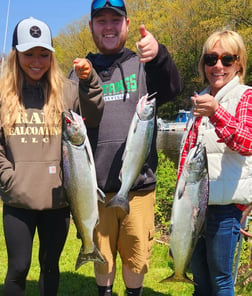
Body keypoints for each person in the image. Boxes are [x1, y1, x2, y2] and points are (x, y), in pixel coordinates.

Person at [69, 1, 183, 295]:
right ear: (92, 27)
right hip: (93, 189)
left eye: (115, 21)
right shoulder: (80, 70)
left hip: (139, 189)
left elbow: (172, 87)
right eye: (101, 21)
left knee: (136, 261)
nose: (109, 27)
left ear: (127, 25)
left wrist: (159, 56)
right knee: (102, 259)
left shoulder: (143, 64)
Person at [0, 17, 103, 296]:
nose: (37, 61)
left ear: (52, 55)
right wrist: (8, 177)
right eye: (28, 54)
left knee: (50, 265)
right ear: (16, 54)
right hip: (17, 200)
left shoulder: (67, 90)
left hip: (58, 200)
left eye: (44, 54)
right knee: (18, 268)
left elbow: (92, 118)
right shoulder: (2, 92)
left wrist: (90, 81)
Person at [177, 29, 252, 296]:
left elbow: (247, 142)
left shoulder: (246, 96)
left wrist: (217, 113)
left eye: (227, 59)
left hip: (226, 209)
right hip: (194, 205)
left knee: (221, 282)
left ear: (239, 63)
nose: (217, 66)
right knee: (200, 281)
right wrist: (180, 198)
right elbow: (188, 156)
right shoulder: (201, 99)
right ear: (203, 64)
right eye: (211, 59)